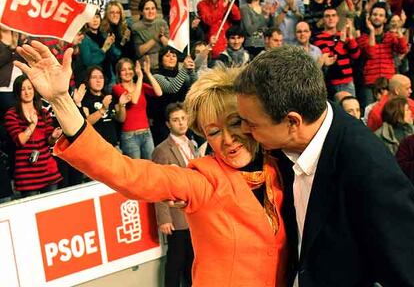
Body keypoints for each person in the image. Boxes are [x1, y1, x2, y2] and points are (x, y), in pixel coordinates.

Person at [14, 40, 288, 286]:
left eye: (235, 123)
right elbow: (127, 173)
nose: (228, 139)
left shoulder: (279, 168)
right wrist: (62, 101)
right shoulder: (203, 181)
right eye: (214, 132)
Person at [234, 45, 414, 286]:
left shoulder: (368, 168)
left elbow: (404, 269)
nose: (244, 131)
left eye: (252, 124)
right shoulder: (281, 142)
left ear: (292, 122)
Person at [152, 102, 196, 287]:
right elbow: (158, 185)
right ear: (168, 124)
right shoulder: (162, 151)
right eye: (176, 120)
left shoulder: (191, 144)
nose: (181, 123)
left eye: (183, 119)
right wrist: (164, 218)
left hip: (193, 211)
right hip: (175, 215)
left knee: (191, 260)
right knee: (175, 262)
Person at [4, 75, 62, 197]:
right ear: (17, 92)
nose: (27, 92)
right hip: (27, 175)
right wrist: (32, 124)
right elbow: (20, 140)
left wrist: (54, 136)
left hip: (48, 170)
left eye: (30, 88)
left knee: (53, 209)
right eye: (23, 89)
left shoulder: (44, 112)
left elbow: (50, 142)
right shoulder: (11, 115)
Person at [112, 56, 162, 159]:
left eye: (130, 69)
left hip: (146, 133)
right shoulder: (117, 88)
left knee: (150, 167)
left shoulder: (140, 85)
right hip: (130, 136)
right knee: (135, 170)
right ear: (119, 73)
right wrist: (140, 78)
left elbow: (159, 92)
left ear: (134, 71)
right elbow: (134, 100)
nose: (127, 72)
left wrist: (147, 73)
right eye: (123, 70)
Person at [82, 66, 129, 146]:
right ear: (88, 81)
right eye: (94, 77)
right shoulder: (84, 99)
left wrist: (121, 105)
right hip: (95, 146)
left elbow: (121, 119)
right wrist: (103, 109)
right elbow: (86, 123)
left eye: (101, 77)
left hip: (113, 145)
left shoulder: (108, 97)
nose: (98, 81)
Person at [131, 0, 170, 69]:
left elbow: (169, 46)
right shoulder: (136, 27)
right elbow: (139, 52)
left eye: (153, 8)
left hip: (164, 64)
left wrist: (161, 36)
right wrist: (155, 38)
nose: (150, 11)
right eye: (147, 9)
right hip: (146, 66)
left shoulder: (162, 23)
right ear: (141, 12)